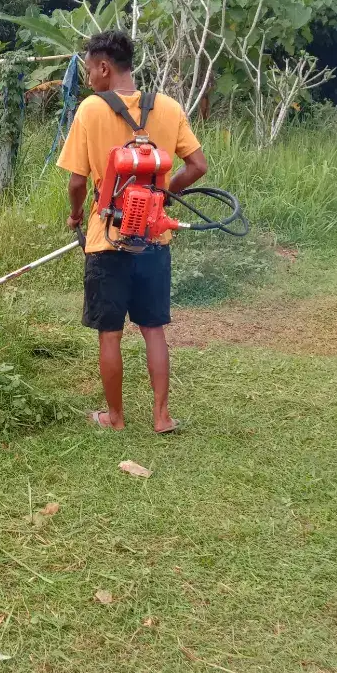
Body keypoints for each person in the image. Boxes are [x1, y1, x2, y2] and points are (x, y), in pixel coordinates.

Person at [57, 30, 208, 433]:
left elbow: (76, 182)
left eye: (90, 69)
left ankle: (116, 417)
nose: (89, 78)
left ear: (104, 67)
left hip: (107, 239)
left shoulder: (90, 110)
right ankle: (162, 416)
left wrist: (75, 215)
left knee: (110, 332)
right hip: (154, 240)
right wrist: (162, 195)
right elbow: (197, 165)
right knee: (153, 328)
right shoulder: (169, 107)